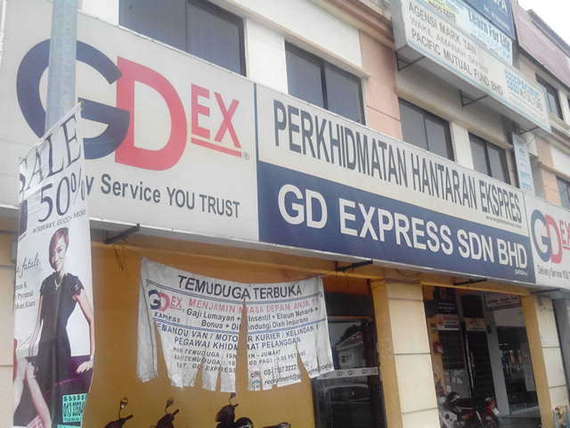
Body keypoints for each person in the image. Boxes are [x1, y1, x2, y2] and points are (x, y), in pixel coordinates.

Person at [17, 227, 94, 425]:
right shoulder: (46, 283)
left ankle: (51, 422)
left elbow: (91, 319)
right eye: (52, 252)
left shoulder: (73, 283)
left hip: (61, 348)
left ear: (66, 250)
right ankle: (44, 422)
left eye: (59, 250)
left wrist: (92, 359)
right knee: (31, 381)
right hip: (44, 347)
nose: (55, 256)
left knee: (58, 396)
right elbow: (38, 324)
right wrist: (28, 351)